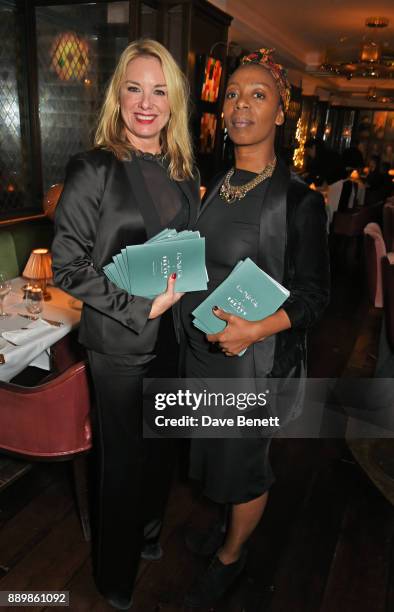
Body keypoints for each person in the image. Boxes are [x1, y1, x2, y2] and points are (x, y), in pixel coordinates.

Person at [179, 48, 330, 608]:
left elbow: (317, 298)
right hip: (203, 351)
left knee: (244, 464)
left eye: (258, 94)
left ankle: (231, 557)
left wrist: (256, 329)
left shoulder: (299, 202)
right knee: (214, 453)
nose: (241, 104)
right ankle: (223, 527)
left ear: (280, 113)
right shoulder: (217, 183)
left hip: (251, 362)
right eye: (234, 94)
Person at [52, 39, 199, 610]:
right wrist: (143, 307)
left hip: (175, 335)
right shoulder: (94, 168)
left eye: (159, 90)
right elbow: (68, 266)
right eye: (134, 88)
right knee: (121, 461)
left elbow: (183, 249)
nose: (146, 102)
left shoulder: (183, 169)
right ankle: (114, 575)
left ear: (173, 101)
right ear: (119, 95)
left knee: (163, 447)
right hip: (120, 340)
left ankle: (148, 533)